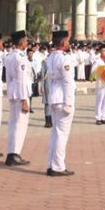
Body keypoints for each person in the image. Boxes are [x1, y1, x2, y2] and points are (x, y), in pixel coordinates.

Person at [46, 30, 76, 177]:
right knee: (62, 134)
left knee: (55, 133)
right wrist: (69, 103)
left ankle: (51, 164)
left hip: (53, 97)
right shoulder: (65, 58)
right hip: (62, 99)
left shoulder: (51, 56)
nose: (69, 43)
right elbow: (68, 81)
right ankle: (58, 166)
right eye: (67, 40)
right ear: (63, 42)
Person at [5, 30, 32, 167]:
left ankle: (12, 153)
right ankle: (14, 154)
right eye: (26, 40)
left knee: (14, 124)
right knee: (19, 125)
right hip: (20, 93)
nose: (27, 43)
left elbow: (9, 78)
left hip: (13, 91)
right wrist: (24, 100)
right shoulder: (20, 57)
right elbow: (21, 79)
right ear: (21, 42)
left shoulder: (10, 56)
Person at [91, 44, 105, 125]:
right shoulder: (97, 61)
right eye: (103, 51)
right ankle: (98, 118)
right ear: (100, 51)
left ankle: (104, 117)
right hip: (100, 82)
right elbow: (93, 72)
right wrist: (101, 70)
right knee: (99, 100)